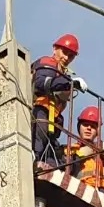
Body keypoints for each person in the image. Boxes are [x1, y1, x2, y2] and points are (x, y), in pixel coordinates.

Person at [32, 33, 87, 168]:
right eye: (64, 52)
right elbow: (41, 83)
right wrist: (68, 83)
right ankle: (33, 161)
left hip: (53, 118)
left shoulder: (63, 73)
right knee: (37, 146)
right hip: (40, 111)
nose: (66, 57)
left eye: (71, 56)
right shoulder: (48, 63)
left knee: (53, 155)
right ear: (55, 49)